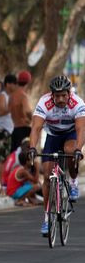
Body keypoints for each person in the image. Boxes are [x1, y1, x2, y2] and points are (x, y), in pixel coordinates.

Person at [29, 75, 85, 234]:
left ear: (69, 93)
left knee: (70, 151)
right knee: (47, 176)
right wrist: (32, 148)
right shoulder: (44, 102)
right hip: (52, 136)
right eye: (57, 95)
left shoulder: (78, 103)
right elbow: (36, 128)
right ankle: (47, 217)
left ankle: (73, 180)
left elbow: (81, 129)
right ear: (51, 94)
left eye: (64, 95)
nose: (60, 99)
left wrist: (78, 150)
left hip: (71, 134)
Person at [0, 74, 15, 179]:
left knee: (5, 159)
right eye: (13, 83)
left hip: (9, 131)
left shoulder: (12, 96)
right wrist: (13, 107)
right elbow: (1, 111)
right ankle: (0, 185)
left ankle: (1, 184)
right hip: (2, 131)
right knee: (0, 160)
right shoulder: (3, 95)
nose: (15, 86)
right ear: (7, 84)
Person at [10, 70, 34, 151]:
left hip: (15, 130)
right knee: (25, 159)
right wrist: (31, 119)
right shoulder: (23, 96)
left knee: (15, 158)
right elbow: (27, 111)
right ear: (28, 82)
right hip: (24, 131)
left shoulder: (12, 96)